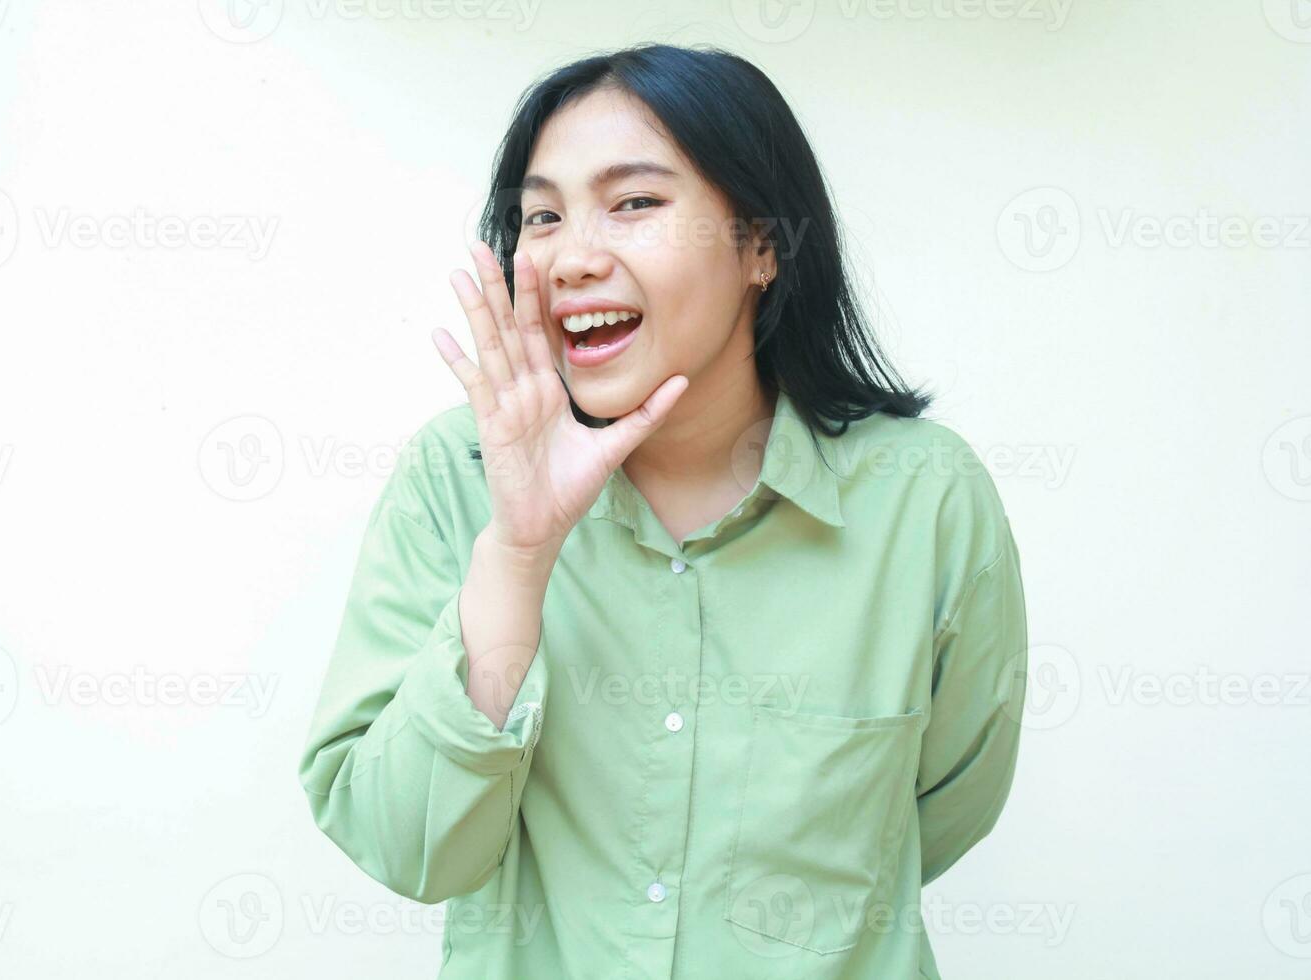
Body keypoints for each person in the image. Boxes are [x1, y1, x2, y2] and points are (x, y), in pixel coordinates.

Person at [299, 42, 1028, 980]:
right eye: (543, 217)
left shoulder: (926, 499)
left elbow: (943, 805)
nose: (572, 257)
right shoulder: (457, 474)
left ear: (762, 243)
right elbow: (406, 845)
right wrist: (520, 555)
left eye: (635, 203)